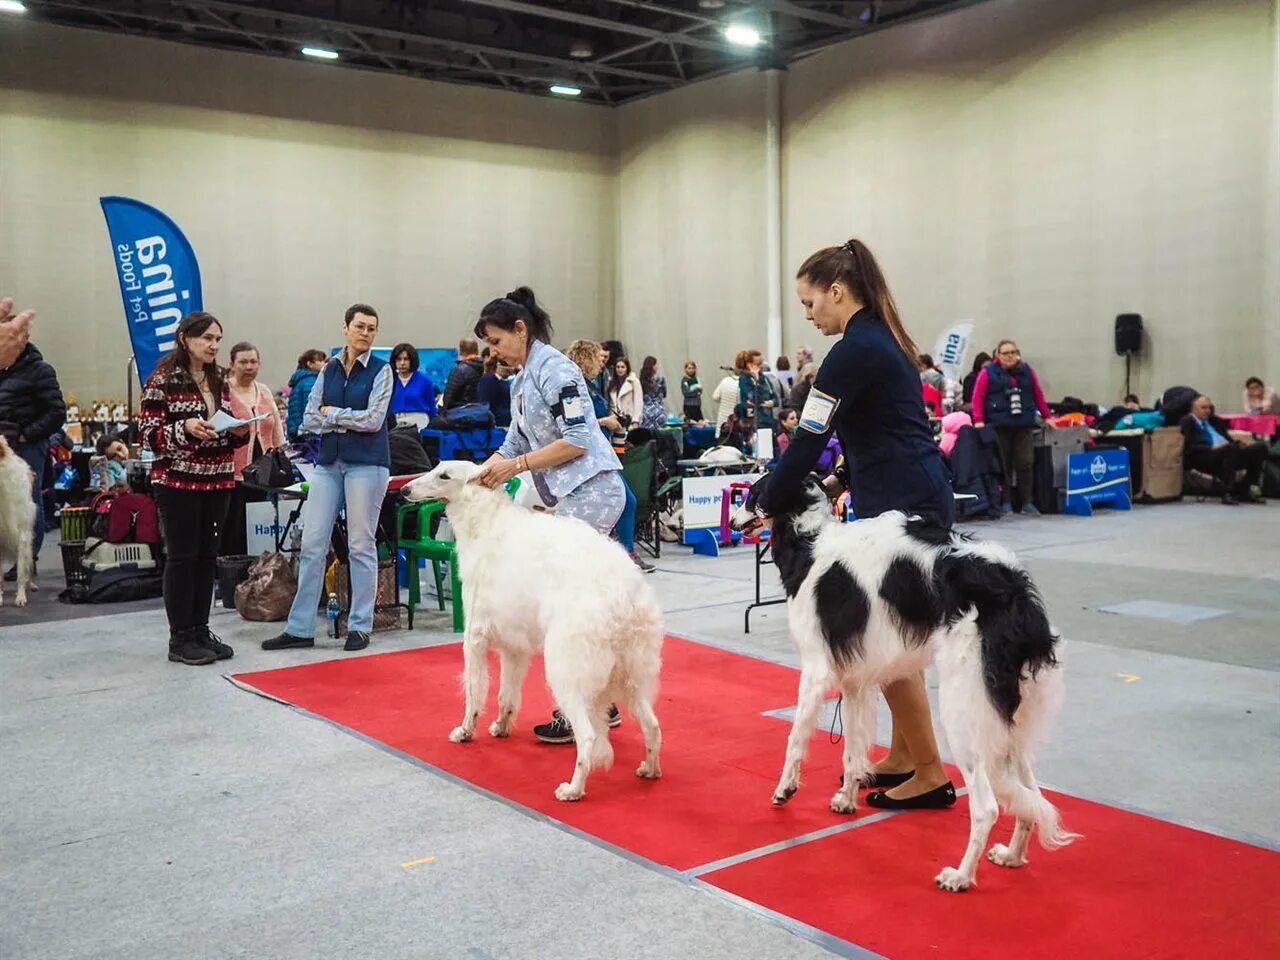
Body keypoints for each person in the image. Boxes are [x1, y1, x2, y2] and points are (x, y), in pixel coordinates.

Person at [760, 237, 957, 811]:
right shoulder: (878, 340)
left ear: (837, 291)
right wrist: (840, 481)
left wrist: (771, 495)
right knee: (897, 640)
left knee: (890, 641)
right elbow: (881, 430)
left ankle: (930, 773)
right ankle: (903, 756)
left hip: (906, 503)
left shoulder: (852, 350)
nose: (808, 313)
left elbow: (808, 437)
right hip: (904, 491)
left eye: (809, 301)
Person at [472, 288, 629, 743]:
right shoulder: (523, 378)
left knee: (568, 608)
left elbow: (578, 440)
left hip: (592, 492)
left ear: (521, 330)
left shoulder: (557, 371)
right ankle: (605, 701)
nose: (494, 352)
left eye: (497, 341)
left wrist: (514, 468)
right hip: (568, 496)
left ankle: (575, 707)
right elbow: (512, 444)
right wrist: (475, 475)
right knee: (581, 604)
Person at [264, 304, 392, 654]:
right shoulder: (329, 369)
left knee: (360, 545)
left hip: (368, 463)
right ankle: (300, 627)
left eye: (372, 328)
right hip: (328, 463)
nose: (366, 333)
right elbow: (308, 418)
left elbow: (374, 421)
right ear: (345, 328)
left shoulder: (383, 371)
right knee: (312, 544)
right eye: (360, 326)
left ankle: (360, 625)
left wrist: (333, 415)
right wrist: (344, 418)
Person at [139, 312, 247, 666]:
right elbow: (149, 438)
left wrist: (238, 430)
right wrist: (184, 428)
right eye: (207, 339)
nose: (214, 345)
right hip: (178, 482)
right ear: (185, 338)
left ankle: (200, 629)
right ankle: (180, 637)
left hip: (218, 478)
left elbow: (224, 423)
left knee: (207, 557)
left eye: (218, 339)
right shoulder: (162, 379)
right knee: (183, 558)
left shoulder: (219, 379)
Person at [566, 339, 654, 574]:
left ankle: (622, 552)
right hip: (590, 459)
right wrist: (604, 421)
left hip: (603, 453)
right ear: (586, 359)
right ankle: (624, 554)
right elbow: (571, 425)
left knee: (626, 502)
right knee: (627, 501)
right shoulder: (573, 388)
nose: (602, 363)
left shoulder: (592, 385)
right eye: (598, 358)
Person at [0, 311, 66, 584]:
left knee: (29, 502)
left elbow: (56, 412)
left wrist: (27, 435)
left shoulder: (41, 371)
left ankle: (27, 560)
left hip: (27, 448)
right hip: (2, 448)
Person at [971, 340, 1057, 515]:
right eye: (1006, 353)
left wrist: (1047, 416)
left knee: (1026, 463)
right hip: (999, 426)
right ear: (998, 356)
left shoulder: (1027, 371)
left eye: (1013, 352)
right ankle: (1006, 502)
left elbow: (1038, 395)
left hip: (1023, 425)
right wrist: (978, 420)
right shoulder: (987, 373)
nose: (1010, 356)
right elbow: (977, 397)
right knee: (1004, 465)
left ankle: (1027, 502)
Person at [222, 341, 285, 556]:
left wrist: (281, 451)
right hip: (233, 474)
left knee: (258, 525)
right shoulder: (223, 391)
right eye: (243, 362)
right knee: (235, 525)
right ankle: (232, 572)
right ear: (232, 364)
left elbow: (276, 426)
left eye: (253, 361)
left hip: (263, 473)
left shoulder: (264, 391)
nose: (249, 366)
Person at [1180, 395, 1268, 505]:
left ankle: (1245, 490)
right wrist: (1212, 447)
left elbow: (1228, 439)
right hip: (1205, 455)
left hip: (1229, 452)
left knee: (1260, 448)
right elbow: (1188, 446)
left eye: (1209, 408)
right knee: (1230, 449)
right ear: (1193, 409)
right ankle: (1227, 493)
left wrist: (1238, 445)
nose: (1208, 411)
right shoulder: (1187, 421)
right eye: (1203, 408)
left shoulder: (1214, 420)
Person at [737, 349, 779, 444]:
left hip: (768, 421)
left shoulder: (765, 379)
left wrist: (772, 402)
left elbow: (776, 399)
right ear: (749, 364)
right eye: (758, 363)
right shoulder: (744, 379)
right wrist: (764, 402)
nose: (761, 366)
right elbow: (753, 397)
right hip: (753, 423)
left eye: (762, 363)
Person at [389, 342, 437, 420]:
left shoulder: (425, 381)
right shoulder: (389, 381)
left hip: (419, 421)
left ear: (412, 360)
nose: (402, 363)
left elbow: (432, 408)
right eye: (399, 359)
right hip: (394, 422)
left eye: (406, 359)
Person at [286, 349, 327, 441]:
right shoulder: (311, 382)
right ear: (310, 364)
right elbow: (311, 408)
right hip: (308, 432)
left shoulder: (299, 380)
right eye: (320, 361)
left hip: (296, 428)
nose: (324, 363)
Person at [443, 337, 484, 410]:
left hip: (461, 414)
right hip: (481, 413)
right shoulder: (486, 368)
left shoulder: (459, 371)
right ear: (477, 351)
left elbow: (448, 400)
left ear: (460, 351)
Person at [477, 352, 513, 427]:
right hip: (498, 424)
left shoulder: (505, 381)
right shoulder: (489, 380)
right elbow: (486, 404)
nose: (510, 369)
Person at [608, 355, 644, 428]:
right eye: (618, 367)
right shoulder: (611, 383)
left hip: (629, 419)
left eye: (622, 367)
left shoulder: (634, 381)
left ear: (627, 368)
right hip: (615, 419)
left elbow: (638, 402)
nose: (620, 369)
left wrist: (635, 420)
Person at [638, 356, 668, 429]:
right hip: (659, 411)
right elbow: (664, 394)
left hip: (645, 412)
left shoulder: (641, 380)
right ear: (653, 366)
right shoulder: (660, 380)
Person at [711, 361, 741, 429]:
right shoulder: (743, 384)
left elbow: (715, 397)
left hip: (722, 420)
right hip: (735, 420)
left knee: (721, 437)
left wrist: (724, 401)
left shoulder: (724, 381)